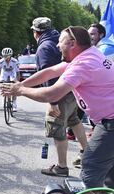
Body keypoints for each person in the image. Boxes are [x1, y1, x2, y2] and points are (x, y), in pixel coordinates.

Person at [1, 26, 114, 188]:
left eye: (61, 41)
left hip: (110, 124)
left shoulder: (83, 65)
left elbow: (52, 94)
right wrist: (22, 84)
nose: (57, 45)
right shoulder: (90, 54)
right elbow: (50, 71)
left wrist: (21, 91)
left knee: (90, 167)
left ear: (72, 43)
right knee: (109, 172)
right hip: (108, 121)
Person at [31, 17, 87, 177]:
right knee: (74, 120)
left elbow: (47, 75)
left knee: (56, 127)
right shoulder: (61, 39)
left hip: (60, 92)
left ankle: (62, 167)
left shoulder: (44, 47)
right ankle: (86, 153)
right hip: (73, 89)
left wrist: (52, 101)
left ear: (36, 33)